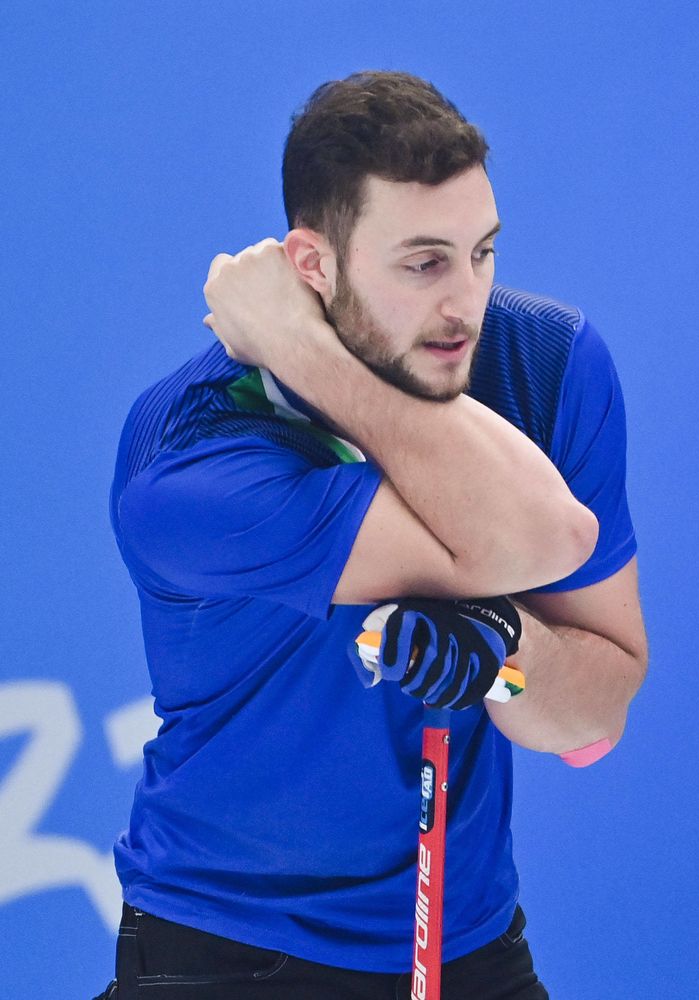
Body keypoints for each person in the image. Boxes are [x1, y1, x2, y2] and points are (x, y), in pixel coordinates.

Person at [99, 71, 647, 999]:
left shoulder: (547, 359)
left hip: (466, 944)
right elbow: (543, 537)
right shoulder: (190, 457)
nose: (466, 304)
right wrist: (308, 355)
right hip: (229, 948)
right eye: (422, 263)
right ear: (313, 266)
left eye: (482, 253)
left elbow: (594, 713)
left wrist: (503, 655)